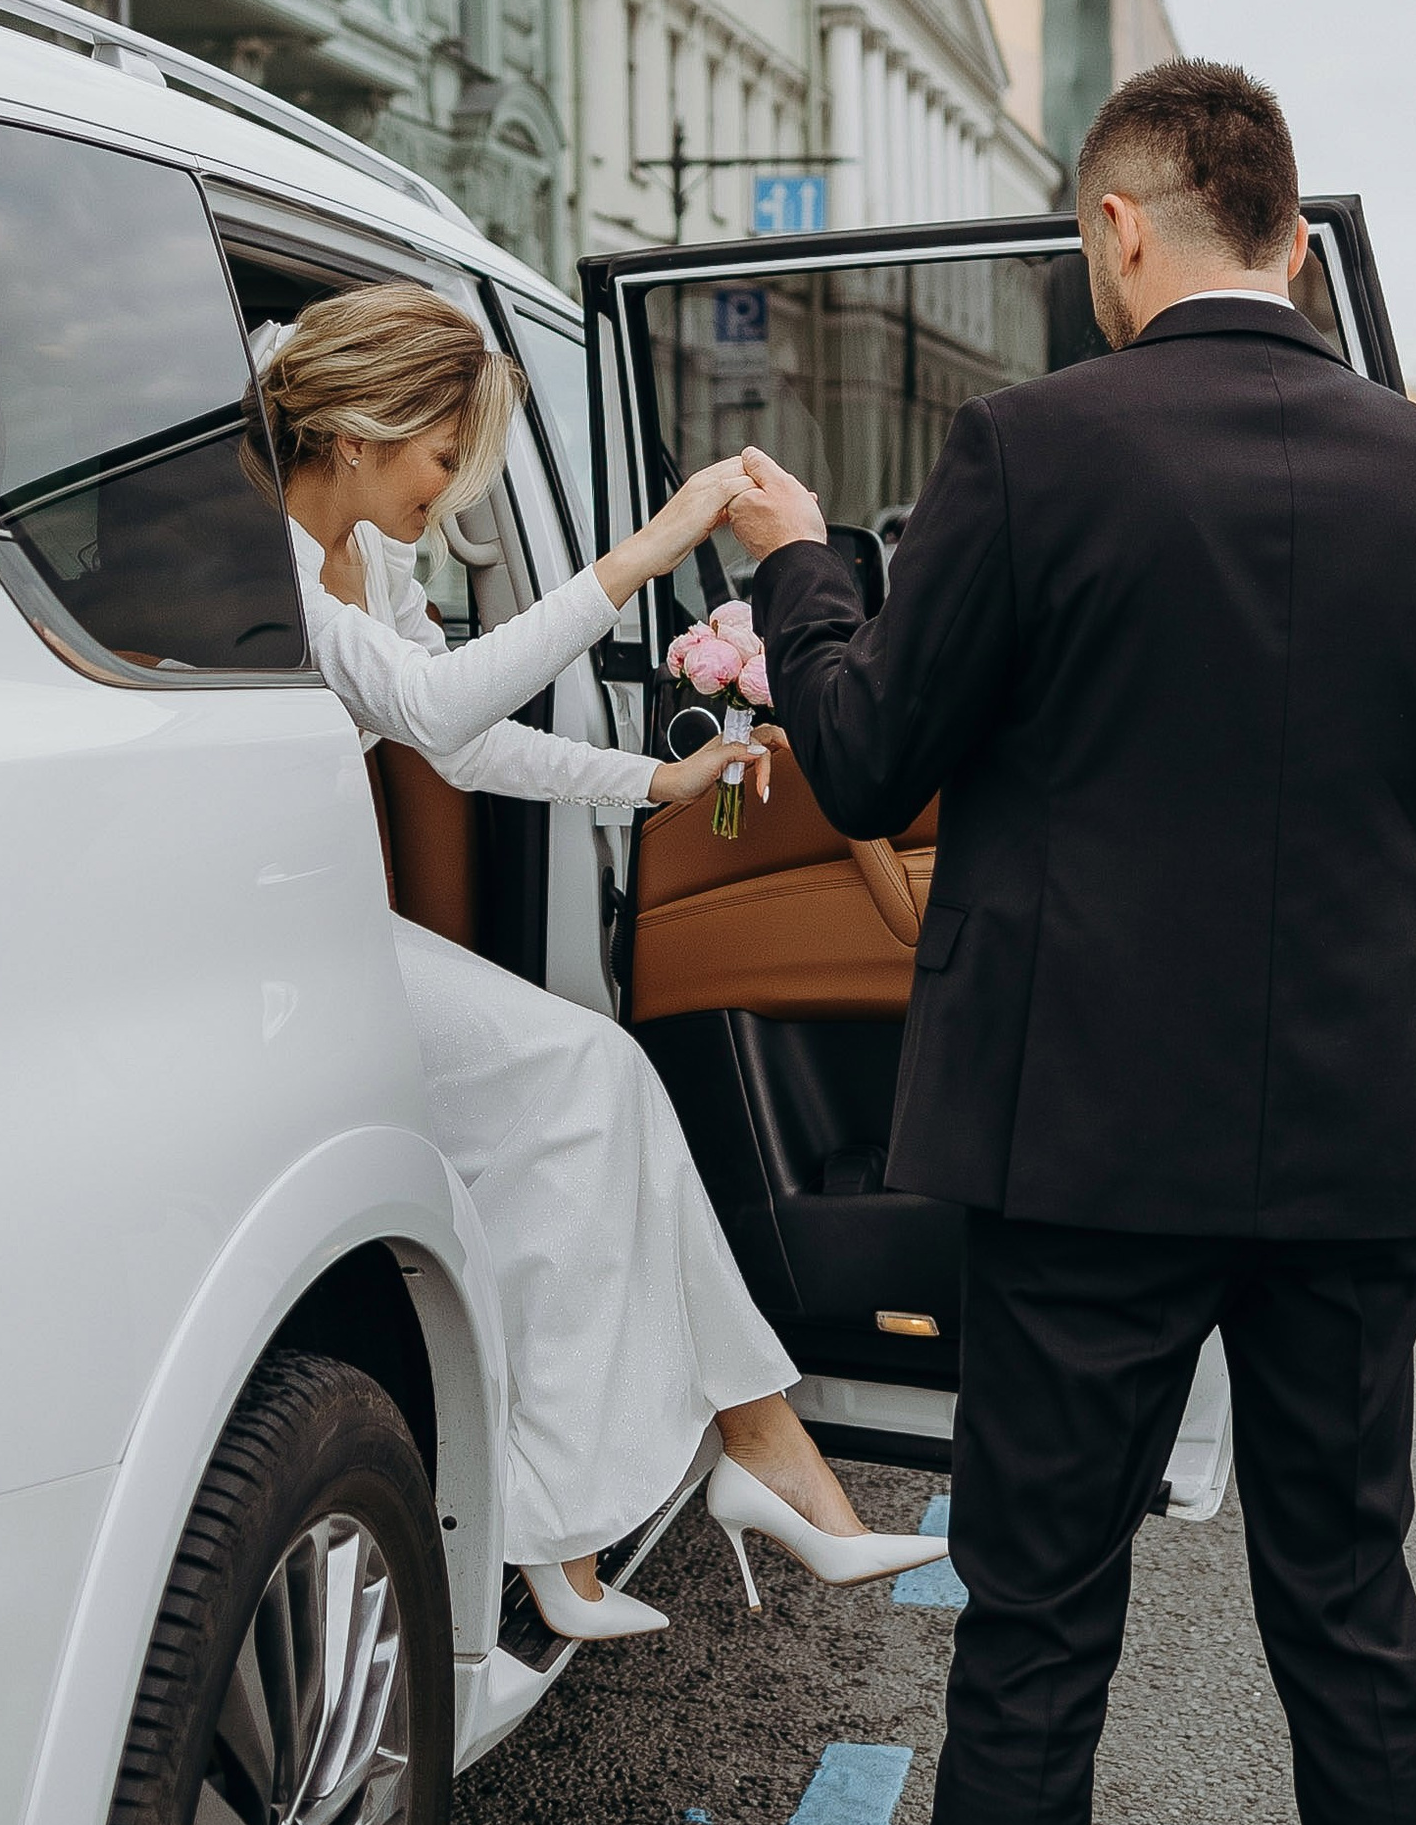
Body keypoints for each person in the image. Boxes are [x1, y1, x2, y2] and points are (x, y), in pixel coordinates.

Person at [733, 58, 1416, 1825]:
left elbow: (869, 754)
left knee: (1034, 1656)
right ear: (1285, 238)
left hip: (1074, 1152)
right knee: (1350, 1645)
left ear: (1115, 229)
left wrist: (802, 571)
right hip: (1346, 1161)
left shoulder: (1031, 453)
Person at [247, 285, 947, 1644]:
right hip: (269, 948)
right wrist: (652, 546)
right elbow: (440, 702)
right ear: (364, 424)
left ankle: (672, 1482)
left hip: (329, 926)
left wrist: (655, 778)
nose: (452, 493)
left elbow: (458, 748)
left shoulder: (367, 562)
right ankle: (712, 1473)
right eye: (445, 455)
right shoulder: (267, 555)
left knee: (600, 1081)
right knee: (583, 1082)